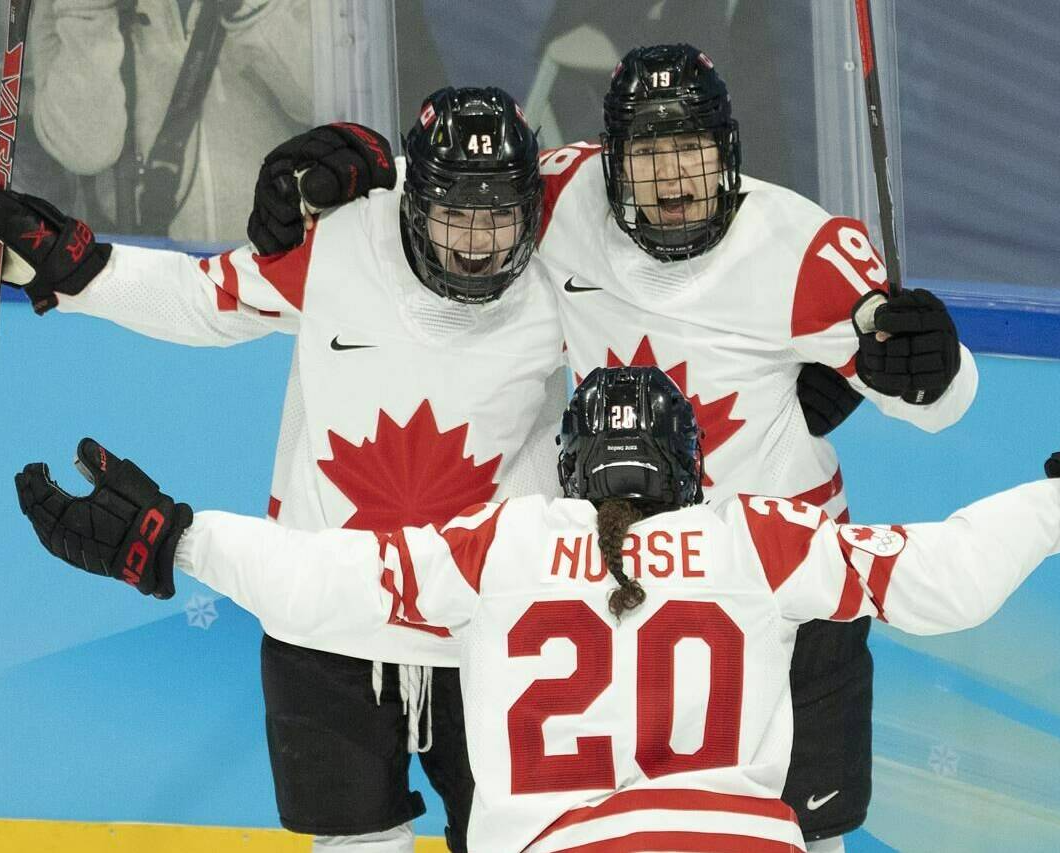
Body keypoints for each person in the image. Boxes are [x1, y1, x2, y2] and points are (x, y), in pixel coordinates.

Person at [246, 44, 978, 850]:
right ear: (608, 161)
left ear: (728, 152)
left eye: (692, 152)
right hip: (636, 585)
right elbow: (451, 182)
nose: (672, 180)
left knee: (809, 834)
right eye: (649, 155)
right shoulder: (561, 198)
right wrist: (350, 167)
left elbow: (935, 403)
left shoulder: (809, 249)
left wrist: (938, 370)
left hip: (788, 577)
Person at [13, 366, 1060, 852]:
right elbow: (942, 577)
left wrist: (176, 537)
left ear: (567, 467)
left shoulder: (502, 541)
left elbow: (326, 588)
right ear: (689, 464)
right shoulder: (755, 534)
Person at [0, 87, 564, 853]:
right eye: (454, 216)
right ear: (414, 201)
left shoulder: (564, 280)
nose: (477, 242)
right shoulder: (343, 246)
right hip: (323, 622)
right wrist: (66, 266)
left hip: (489, 631)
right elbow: (202, 300)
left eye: (499, 217)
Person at [28, 0, 313, 240]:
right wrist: (91, 14)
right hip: (147, 278)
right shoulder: (66, 7)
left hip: (278, 270)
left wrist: (253, 11)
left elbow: (329, 110)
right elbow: (84, 150)